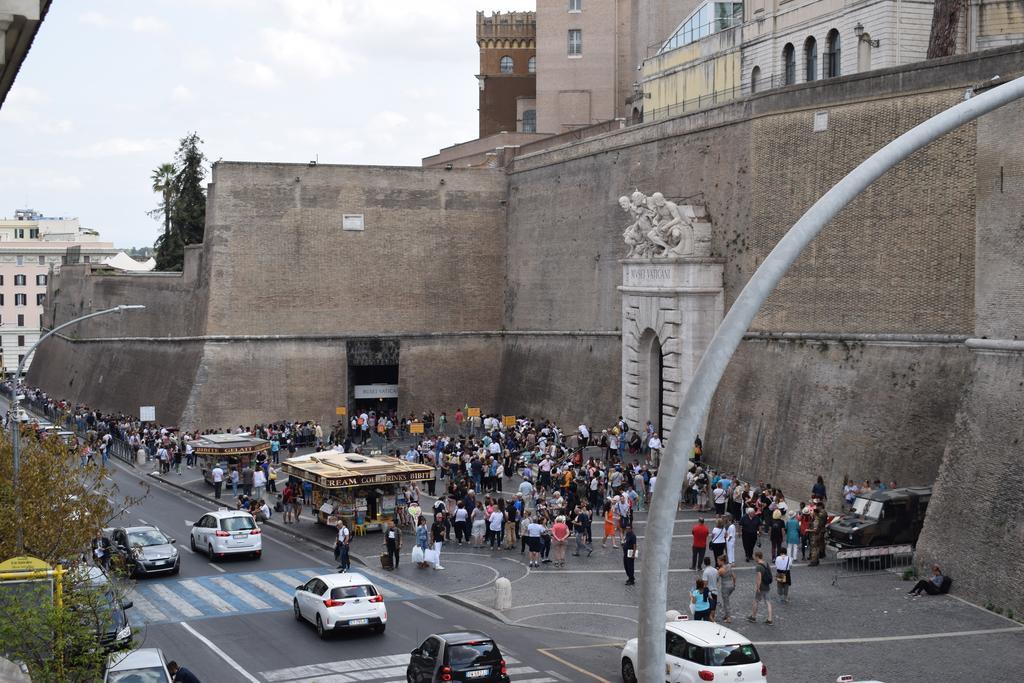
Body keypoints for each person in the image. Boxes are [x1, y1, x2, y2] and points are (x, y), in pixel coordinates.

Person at [747, 550, 774, 624]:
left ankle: (753, 617)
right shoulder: (766, 563)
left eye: (755, 557)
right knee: (768, 602)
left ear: (757, 557)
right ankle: (770, 619)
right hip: (767, 585)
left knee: (756, 601)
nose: (754, 558)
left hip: (762, 586)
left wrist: (758, 587)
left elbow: (759, 578)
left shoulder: (758, 566)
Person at [716, 555, 736, 624]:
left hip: (725, 587)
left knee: (726, 602)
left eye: (718, 561)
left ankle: (728, 618)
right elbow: (734, 576)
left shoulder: (721, 570)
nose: (717, 562)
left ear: (722, 561)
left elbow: (716, 578)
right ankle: (726, 615)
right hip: (731, 586)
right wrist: (734, 584)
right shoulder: (729, 566)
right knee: (726, 600)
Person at [701, 556, 719, 621]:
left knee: (707, 608)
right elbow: (717, 580)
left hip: (709, 593)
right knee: (713, 608)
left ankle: (710, 622)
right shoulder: (715, 570)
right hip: (715, 591)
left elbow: (705, 584)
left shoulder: (705, 572)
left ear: (704, 563)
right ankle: (712, 620)